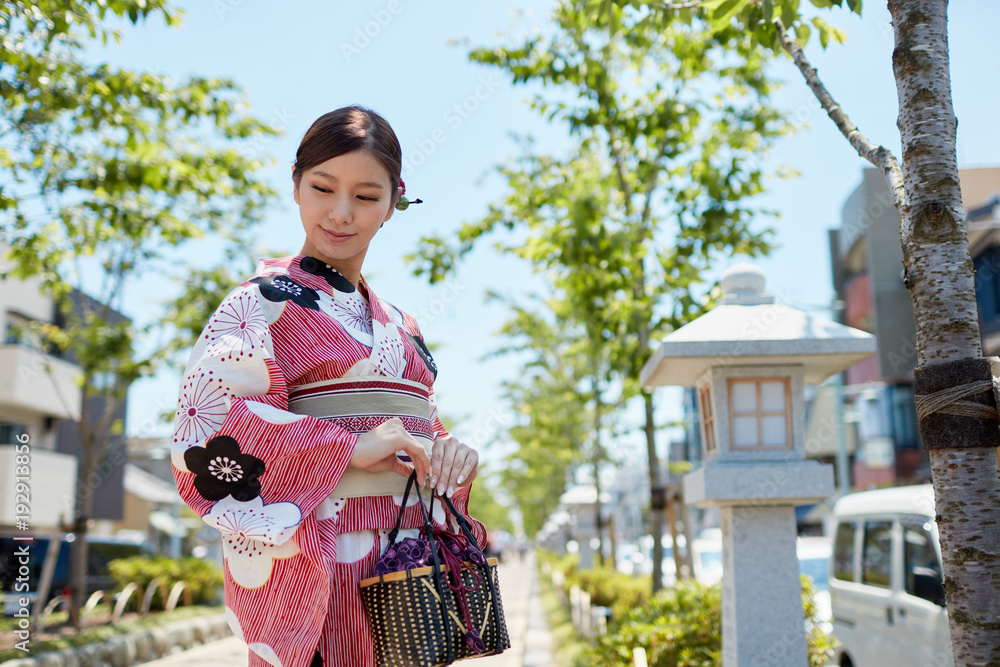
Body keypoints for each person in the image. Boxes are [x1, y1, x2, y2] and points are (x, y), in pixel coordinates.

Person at [170, 106, 486, 667]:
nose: (341, 213)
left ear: (394, 204)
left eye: (366, 196)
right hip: (317, 557)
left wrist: (446, 450)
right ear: (296, 186)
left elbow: (415, 426)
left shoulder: (403, 325)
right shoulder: (261, 304)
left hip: (407, 566)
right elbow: (208, 424)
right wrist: (347, 449)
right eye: (322, 188)